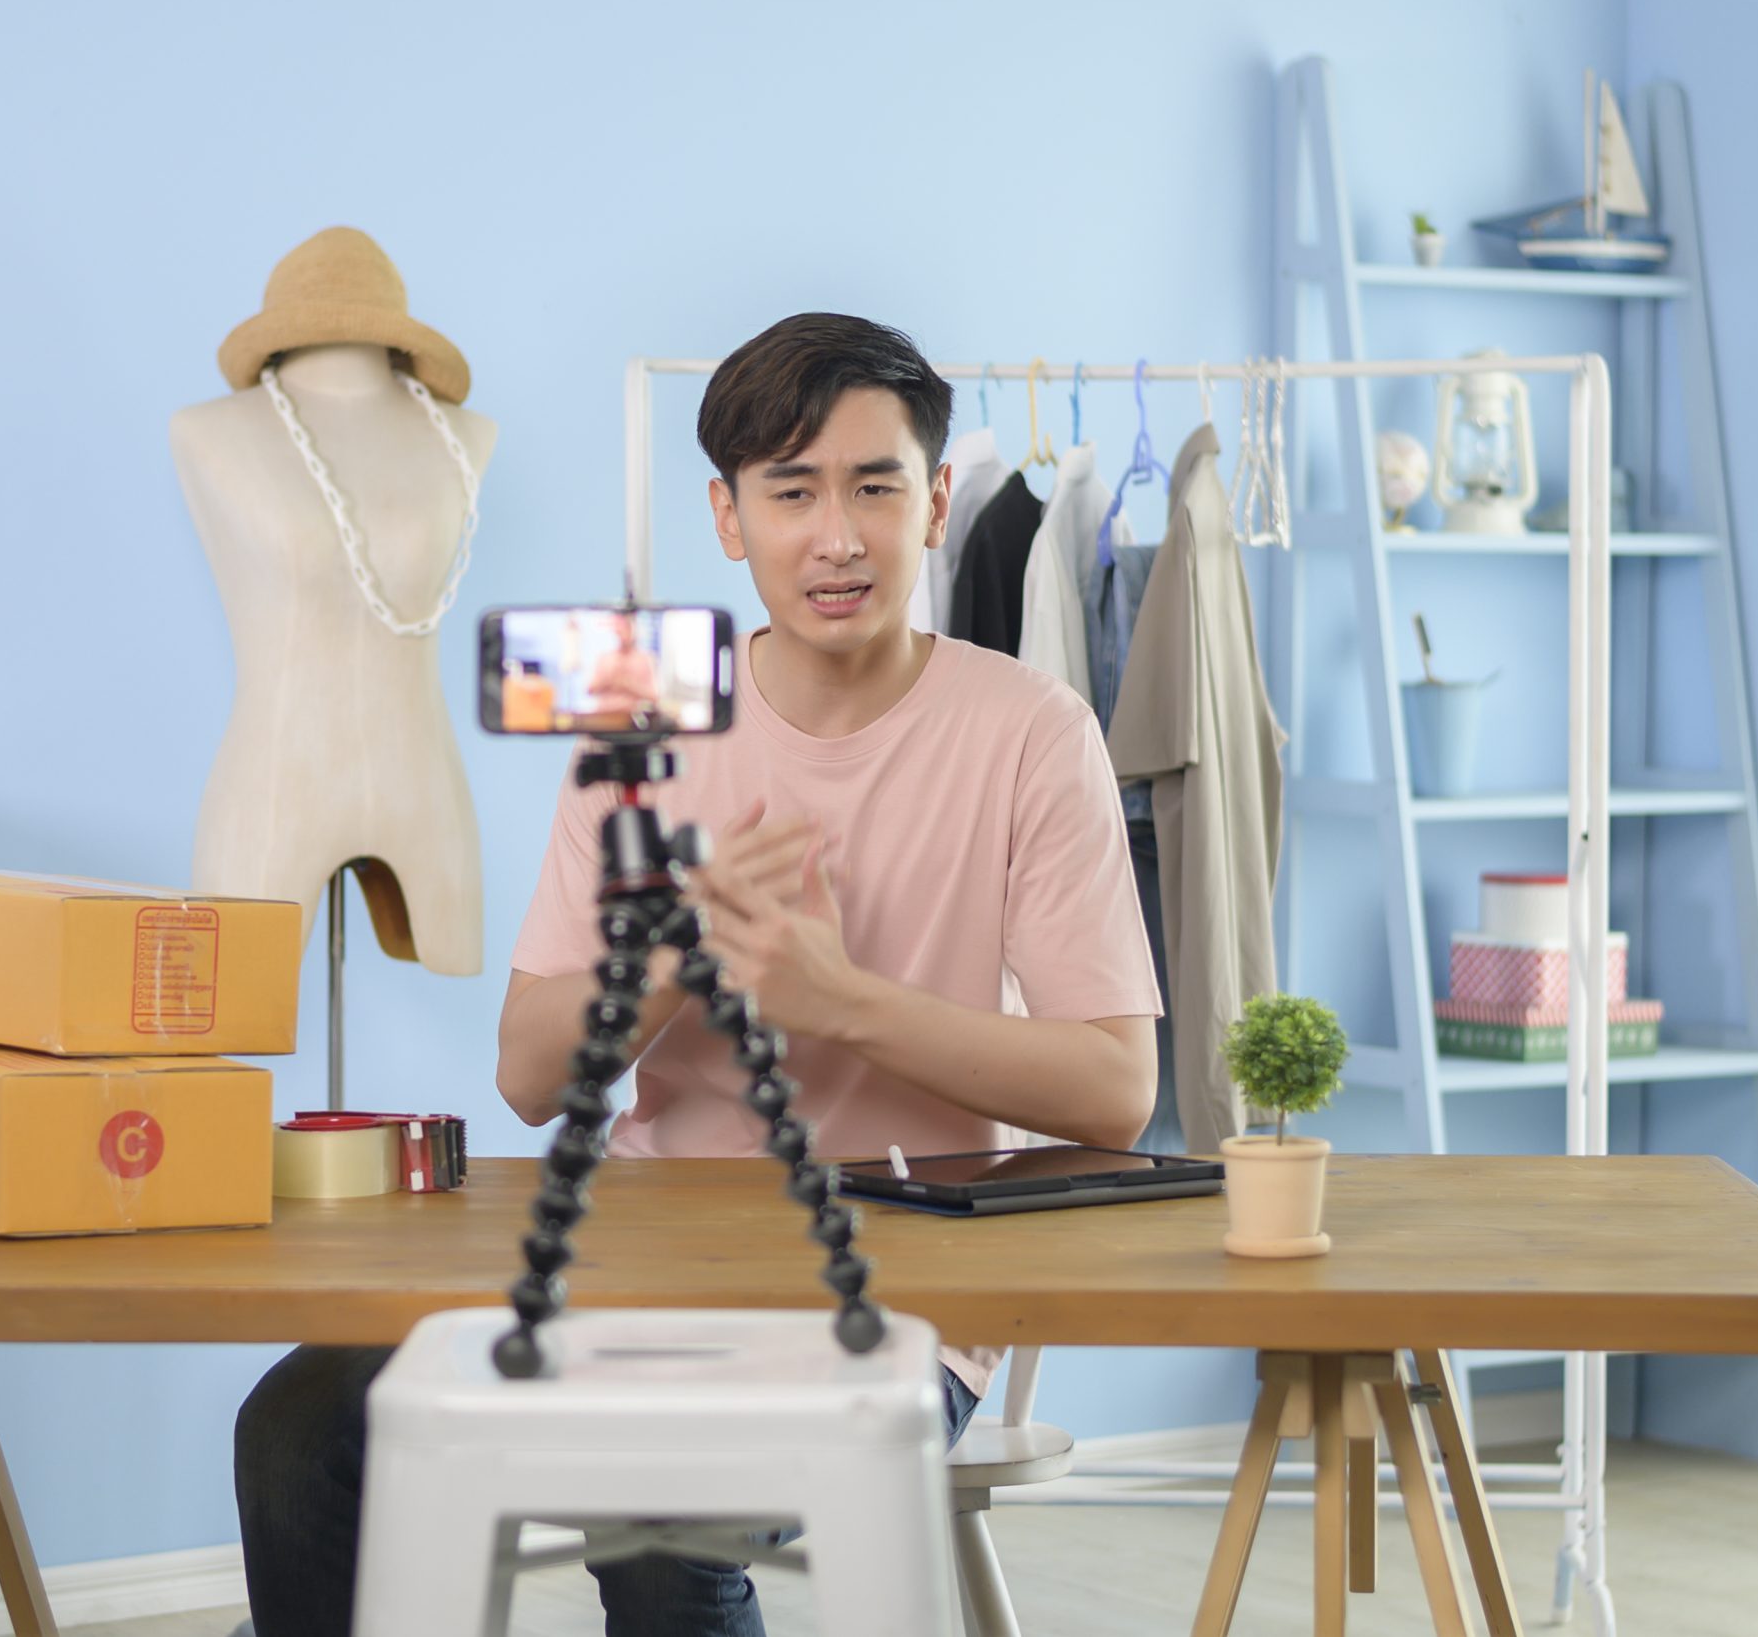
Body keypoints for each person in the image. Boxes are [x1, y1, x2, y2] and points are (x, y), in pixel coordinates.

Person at [234, 312, 1162, 1637]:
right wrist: (681, 954)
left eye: (875, 486)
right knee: (304, 1421)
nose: (836, 536)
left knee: (660, 1515)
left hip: (899, 1306)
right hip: (646, 1265)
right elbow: (528, 1075)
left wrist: (838, 1000)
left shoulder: (1031, 731)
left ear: (938, 501)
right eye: (791, 492)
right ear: (729, 518)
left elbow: (1116, 1089)